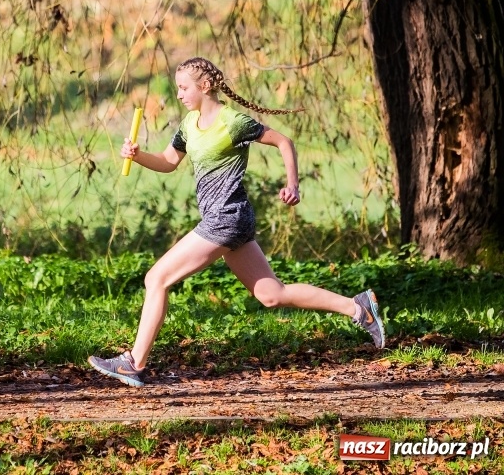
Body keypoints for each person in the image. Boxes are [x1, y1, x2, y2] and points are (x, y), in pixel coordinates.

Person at [88, 57, 385, 387]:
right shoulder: (189, 124)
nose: (179, 94)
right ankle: (357, 307)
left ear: (205, 86)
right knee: (271, 294)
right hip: (231, 219)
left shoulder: (233, 122)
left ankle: (134, 363)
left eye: (184, 88)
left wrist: (293, 185)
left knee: (156, 278)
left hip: (225, 218)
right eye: (177, 88)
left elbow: (284, 142)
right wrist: (137, 155)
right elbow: (169, 161)